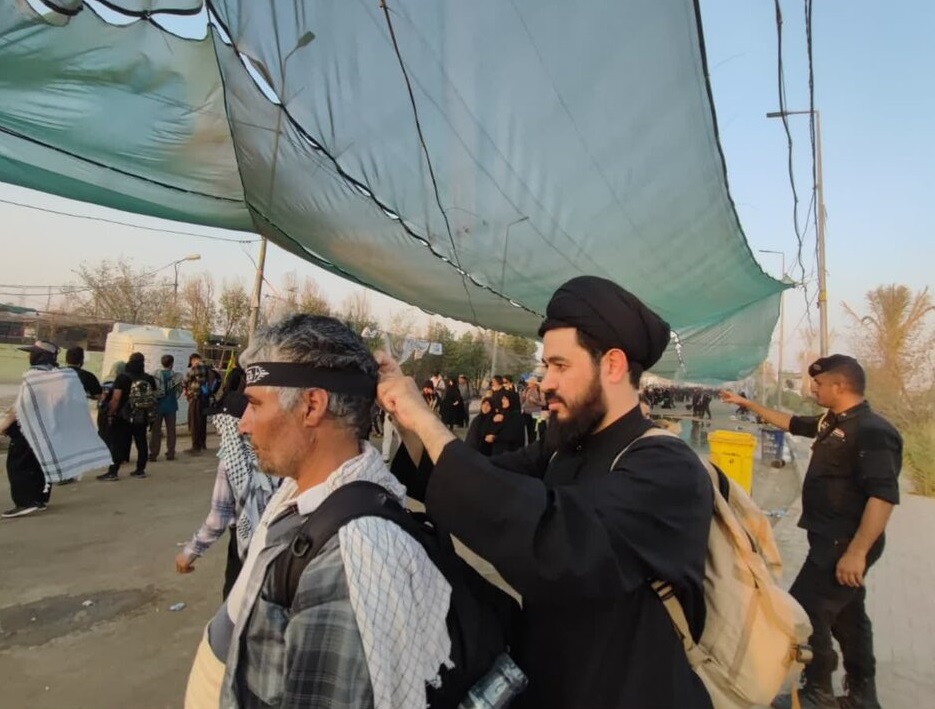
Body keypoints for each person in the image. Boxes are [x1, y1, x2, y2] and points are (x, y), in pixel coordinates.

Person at [380, 275, 713, 709]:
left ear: (611, 365)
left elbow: (558, 541)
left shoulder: (667, 469)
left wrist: (428, 420)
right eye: (546, 366)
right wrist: (407, 420)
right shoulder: (561, 449)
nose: (545, 382)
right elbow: (472, 482)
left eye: (560, 365)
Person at [185, 314, 455, 709]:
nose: (243, 425)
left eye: (256, 405)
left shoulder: (352, 554)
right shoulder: (310, 497)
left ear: (312, 405)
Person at [721, 355, 901, 709]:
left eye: (818, 384)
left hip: (845, 543)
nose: (813, 389)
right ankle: (863, 694)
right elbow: (790, 422)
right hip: (829, 540)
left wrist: (857, 552)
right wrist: (748, 404)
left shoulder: (873, 432)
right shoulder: (830, 422)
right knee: (849, 616)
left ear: (840, 386)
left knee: (807, 610)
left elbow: (883, 497)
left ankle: (817, 691)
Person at [175, 392, 280, 598]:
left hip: (245, 543)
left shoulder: (231, 461)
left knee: (238, 605)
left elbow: (219, 517)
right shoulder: (280, 453)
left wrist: (190, 552)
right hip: (279, 543)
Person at [2, 341, 112, 516]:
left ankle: (25, 502)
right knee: (40, 462)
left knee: (18, 465)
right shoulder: (63, 377)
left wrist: (4, 426)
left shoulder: (34, 377)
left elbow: (20, 407)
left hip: (28, 430)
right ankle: (40, 499)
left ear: (39, 357)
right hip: (49, 429)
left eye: (33, 353)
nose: (30, 356)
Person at [97, 352, 157, 481]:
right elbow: (154, 397)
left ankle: (113, 472)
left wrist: (110, 412)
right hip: (142, 416)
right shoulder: (148, 378)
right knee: (141, 442)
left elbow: (116, 398)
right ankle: (140, 470)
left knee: (118, 443)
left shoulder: (122, 377)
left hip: (124, 417)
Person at [150, 354, 183, 462]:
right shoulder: (176, 376)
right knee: (171, 431)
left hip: (157, 406)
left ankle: (154, 453)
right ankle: (170, 453)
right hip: (171, 406)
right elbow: (179, 391)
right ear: (172, 364)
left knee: (155, 431)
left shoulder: (155, 375)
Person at [184, 353, 210, 454]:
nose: (191, 364)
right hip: (204, 398)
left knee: (194, 422)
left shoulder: (198, 367)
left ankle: (196, 447)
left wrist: (187, 389)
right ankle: (202, 443)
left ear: (194, 360)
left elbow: (186, 380)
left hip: (196, 398)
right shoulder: (207, 368)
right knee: (202, 422)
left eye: (192, 362)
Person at [521, 376, 544, 443]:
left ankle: (534, 445)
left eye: (530, 382)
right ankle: (529, 444)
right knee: (528, 430)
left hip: (536, 413)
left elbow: (544, 403)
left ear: (534, 383)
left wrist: (535, 401)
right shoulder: (526, 390)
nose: (528, 383)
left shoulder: (539, 390)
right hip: (526, 412)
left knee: (534, 430)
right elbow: (522, 401)